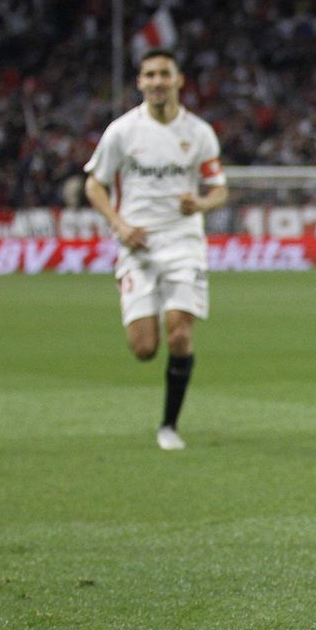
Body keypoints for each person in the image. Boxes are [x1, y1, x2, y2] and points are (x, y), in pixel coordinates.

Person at [83, 49, 228, 450]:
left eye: (164, 74)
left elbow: (219, 190)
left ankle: (169, 426)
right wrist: (119, 225)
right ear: (140, 83)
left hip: (184, 242)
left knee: (179, 333)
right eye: (149, 75)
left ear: (179, 80)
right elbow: (94, 184)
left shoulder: (198, 132)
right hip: (138, 245)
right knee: (144, 348)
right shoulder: (122, 131)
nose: (157, 81)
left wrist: (200, 203)